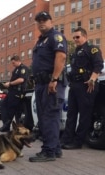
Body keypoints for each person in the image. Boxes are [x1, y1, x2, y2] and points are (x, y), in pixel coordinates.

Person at [29, 11, 67, 162]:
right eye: (38, 21)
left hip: (51, 83)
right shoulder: (41, 40)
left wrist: (54, 79)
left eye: (44, 20)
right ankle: (55, 148)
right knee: (46, 117)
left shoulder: (55, 37)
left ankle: (49, 151)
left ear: (51, 21)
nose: (41, 23)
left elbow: (61, 56)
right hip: (41, 83)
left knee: (49, 116)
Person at [61, 27, 104, 149]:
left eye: (77, 37)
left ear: (85, 37)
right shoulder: (75, 53)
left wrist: (92, 79)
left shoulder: (92, 50)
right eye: (74, 37)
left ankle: (78, 142)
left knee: (84, 115)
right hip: (74, 85)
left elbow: (99, 65)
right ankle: (66, 139)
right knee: (71, 114)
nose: (75, 39)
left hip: (86, 86)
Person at [0, 55, 29, 132]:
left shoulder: (23, 68)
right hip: (12, 91)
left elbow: (21, 80)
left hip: (17, 92)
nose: (12, 64)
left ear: (18, 61)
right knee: (4, 107)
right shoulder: (16, 69)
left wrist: (10, 83)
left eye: (13, 63)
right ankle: (5, 125)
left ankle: (7, 126)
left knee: (11, 110)